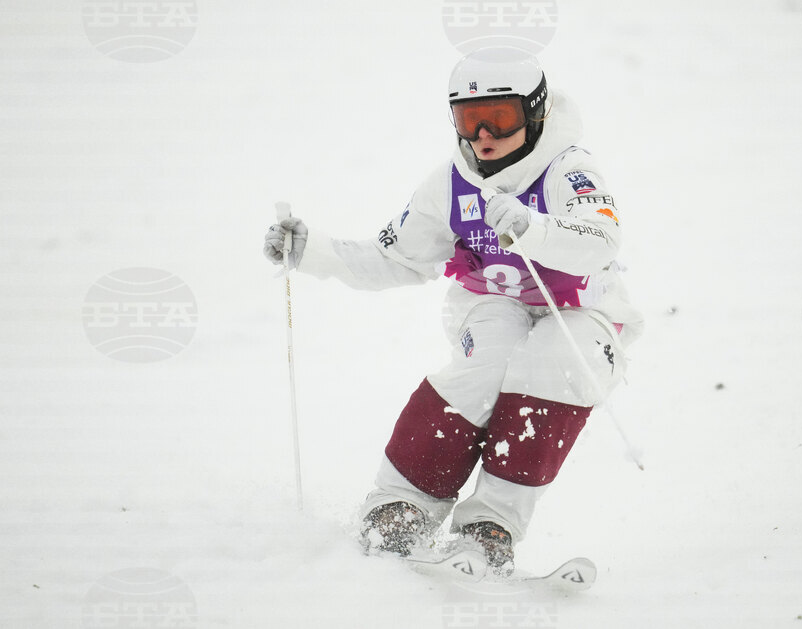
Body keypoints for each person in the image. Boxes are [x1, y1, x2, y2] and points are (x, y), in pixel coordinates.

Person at [263, 47, 643, 574]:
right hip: (491, 301)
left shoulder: (568, 167)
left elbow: (602, 238)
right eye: (469, 119)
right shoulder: (450, 182)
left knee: (560, 363)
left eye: (502, 118)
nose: (483, 134)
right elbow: (395, 258)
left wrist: (534, 228)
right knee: (488, 364)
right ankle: (402, 504)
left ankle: (491, 527)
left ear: (536, 113)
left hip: (581, 309)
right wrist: (315, 251)